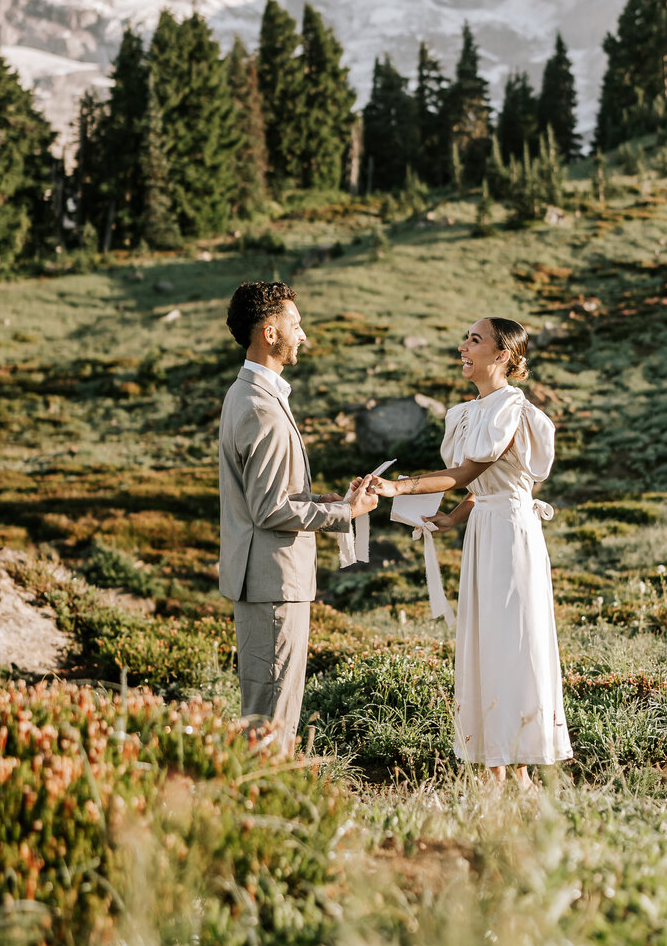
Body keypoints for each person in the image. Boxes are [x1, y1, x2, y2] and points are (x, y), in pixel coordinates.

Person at [370, 316, 571, 785]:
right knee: (485, 639)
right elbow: (478, 486)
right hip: (484, 528)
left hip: (512, 532)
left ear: (502, 355)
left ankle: (516, 763)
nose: (464, 347)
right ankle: (494, 761)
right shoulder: (467, 412)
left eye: (475, 340)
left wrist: (396, 488)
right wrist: (453, 517)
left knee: (513, 639)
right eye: (466, 339)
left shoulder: (510, 407)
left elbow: (465, 474)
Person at [219, 279, 378, 748]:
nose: (303, 334)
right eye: (296, 323)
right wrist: (345, 513)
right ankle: (262, 805)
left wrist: (326, 502)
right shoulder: (261, 409)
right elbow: (270, 510)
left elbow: (263, 498)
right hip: (273, 583)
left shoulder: (243, 395)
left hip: (263, 579)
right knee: (272, 718)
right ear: (270, 333)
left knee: (265, 711)